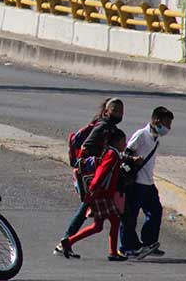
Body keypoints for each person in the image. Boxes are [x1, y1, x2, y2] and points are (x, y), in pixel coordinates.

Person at [55, 98, 125, 258]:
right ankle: (64, 242)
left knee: (96, 220)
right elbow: (87, 147)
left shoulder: (109, 127)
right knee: (84, 212)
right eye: (115, 110)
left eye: (121, 111)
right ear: (107, 111)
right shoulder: (103, 126)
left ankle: (67, 242)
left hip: (94, 180)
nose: (119, 114)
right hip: (91, 178)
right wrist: (99, 163)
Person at [120, 106, 174, 259]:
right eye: (166, 124)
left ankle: (148, 243)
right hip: (136, 182)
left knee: (155, 211)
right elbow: (126, 153)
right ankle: (126, 247)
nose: (168, 128)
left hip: (148, 183)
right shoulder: (141, 135)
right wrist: (133, 160)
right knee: (131, 216)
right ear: (156, 120)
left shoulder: (155, 139)